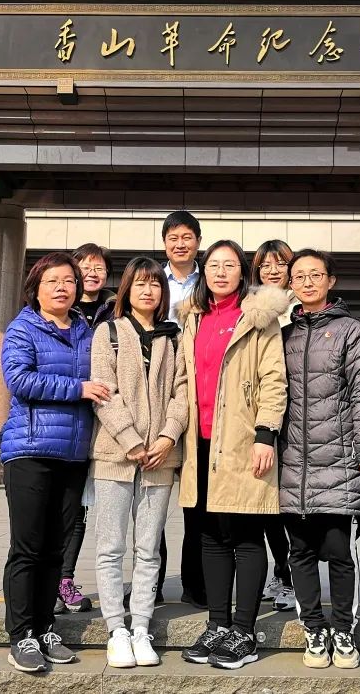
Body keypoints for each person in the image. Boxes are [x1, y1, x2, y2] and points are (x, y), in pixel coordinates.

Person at [177, 239, 288, 670]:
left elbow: (274, 380)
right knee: (210, 536)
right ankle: (217, 624)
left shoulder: (258, 317)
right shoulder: (193, 318)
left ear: (243, 272)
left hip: (243, 440)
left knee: (245, 534)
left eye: (229, 265)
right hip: (200, 444)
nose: (220, 272)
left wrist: (265, 434)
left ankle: (244, 631)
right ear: (203, 272)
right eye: (213, 265)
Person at [0, 252, 112, 674]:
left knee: (55, 549)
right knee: (28, 548)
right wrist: (78, 388)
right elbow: (19, 380)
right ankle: (21, 634)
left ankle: (46, 626)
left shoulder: (85, 330)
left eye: (69, 281)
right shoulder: (23, 327)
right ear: (36, 288)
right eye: (53, 281)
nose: (62, 287)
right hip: (30, 450)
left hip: (73, 454)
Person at [279, 249, 360, 670]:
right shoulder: (283, 333)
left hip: (338, 458)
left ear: (330, 281)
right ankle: (314, 630)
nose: (307, 281)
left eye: (315, 274)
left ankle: (343, 629)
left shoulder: (349, 329)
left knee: (339, 551)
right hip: (292, 461)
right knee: (300, 552)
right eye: (299, 275)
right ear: (290, 284)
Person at [91, 257, 188, 668]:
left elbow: (183, 392)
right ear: (127, 289)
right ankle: (117, 629)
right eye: (140, 284)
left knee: (148, 550)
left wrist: (167, 437)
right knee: (110, 547)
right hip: (115, 455)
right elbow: (104, 392)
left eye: (155, 284)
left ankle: (142, 627)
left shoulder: (174, 336)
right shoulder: (109, 332)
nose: (148, 291)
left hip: (160, 459)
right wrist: (131, 440)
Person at [54, 242, 117, 615]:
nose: (92, 273)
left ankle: (64, 579)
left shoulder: (116, 309)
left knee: (79, 507)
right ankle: (50, 580)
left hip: (102, 421)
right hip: (67, 418)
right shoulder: (61, 309)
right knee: (57, 507)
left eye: (99, 268)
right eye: (85, 266)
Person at [161, 210, 206, 608]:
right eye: (173, 237)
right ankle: (151, 583)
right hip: (159, 395)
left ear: (197, 242)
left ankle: (196, 582)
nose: (180, 243)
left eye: (187, 237)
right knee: (152, 502)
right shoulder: (152, 282)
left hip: (200, 394)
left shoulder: (210, 281)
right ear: (164, 243)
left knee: (197, 502)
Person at [252, 239, 297, 612]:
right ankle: (280, 570)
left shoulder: (299, 307)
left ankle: (290, 575)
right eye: (265, 264)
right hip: (262, 415)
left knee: (288, 506)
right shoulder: (251, 308)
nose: (272, 270)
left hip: (296, 415)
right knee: (266, 504)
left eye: (280, 263)